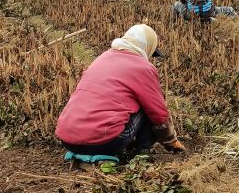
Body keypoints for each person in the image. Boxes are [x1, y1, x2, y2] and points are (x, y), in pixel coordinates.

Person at [55, 24, 184, 161]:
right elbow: (159, 114)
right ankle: (142, 153)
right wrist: (170, 140)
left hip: (68, 141)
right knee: (147, 106)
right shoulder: (143, 67)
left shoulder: (102, 58)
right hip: (105, 142)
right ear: (147, 47)